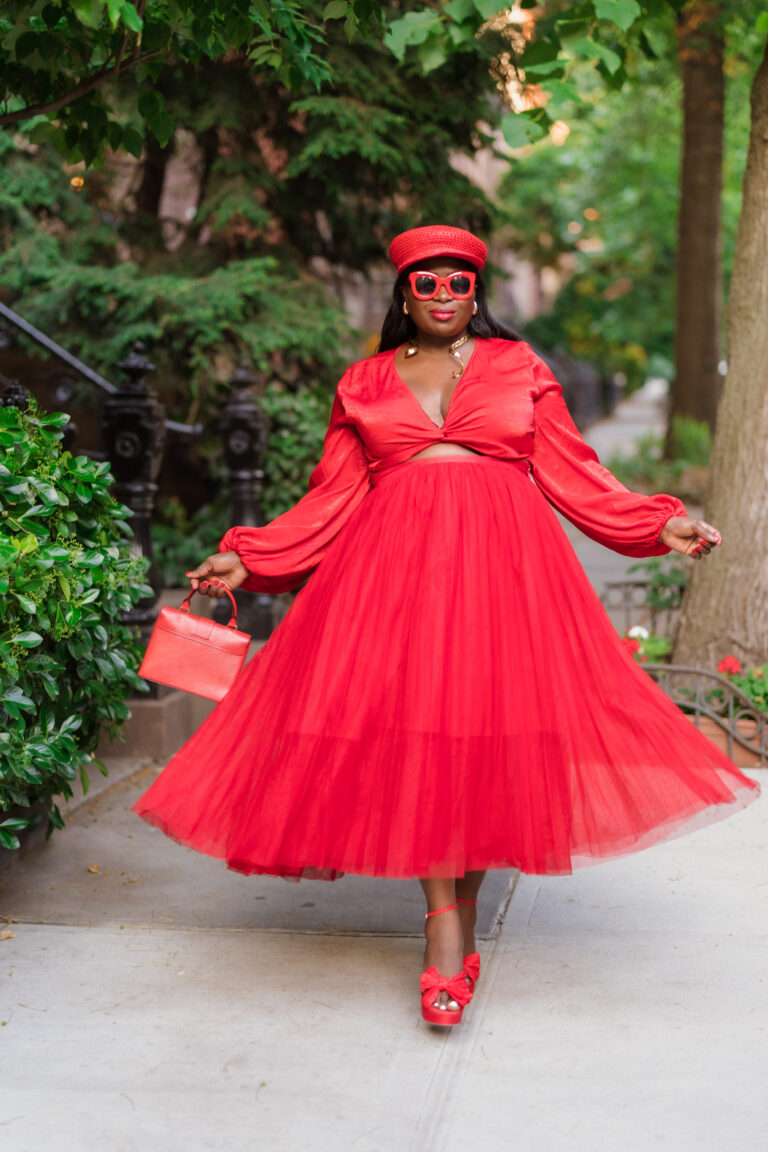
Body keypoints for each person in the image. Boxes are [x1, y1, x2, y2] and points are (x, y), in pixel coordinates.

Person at [133, 225, 759, 1028]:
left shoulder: (519, 366)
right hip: (393, 575)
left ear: (475, 292)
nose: (441, 297)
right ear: (403, 293)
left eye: (456, 284)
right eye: (424, 284)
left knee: (488, 734)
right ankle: (443, 929)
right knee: (423, 733)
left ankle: (458, 914)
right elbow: (332, 496)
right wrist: (248, 559)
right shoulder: (364, 380)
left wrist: (654, 523)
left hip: (506, 572)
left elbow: (571, 468)